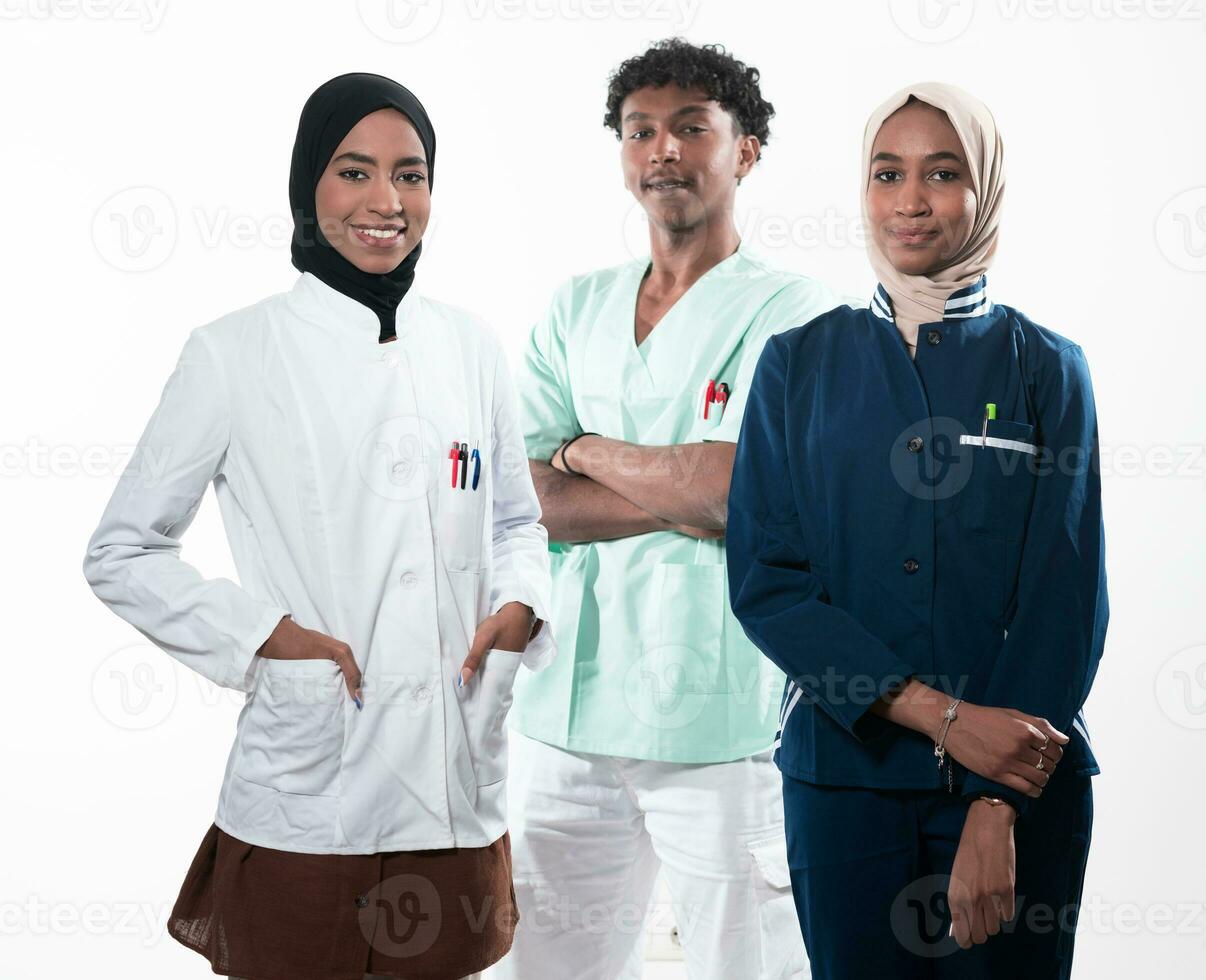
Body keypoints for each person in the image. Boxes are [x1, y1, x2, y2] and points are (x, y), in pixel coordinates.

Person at [81, 72, 554, 980]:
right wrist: (264, 637)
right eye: (354, 172)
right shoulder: (233, 353)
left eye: (411, 175)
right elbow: (121, 550)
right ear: (308, 187)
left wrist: (522, 607)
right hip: (312, 787)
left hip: (454, 780)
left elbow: (515, 524)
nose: (387, 202)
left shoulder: (472, 346)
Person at [725, 82, 1108, 979]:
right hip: (841, 779)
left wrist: (994, 801)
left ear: (986, 189)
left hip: (1021, 784)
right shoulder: (796, 365)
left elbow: (1067, 596)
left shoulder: (1049, 370)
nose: (910, 200)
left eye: (943, 173)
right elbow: (769, 581)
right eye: (886, 173)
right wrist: (941, 718)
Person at [496, 39, 837, 980]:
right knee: (552, 968)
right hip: (568, 709)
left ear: (747, 150)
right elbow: (530, 500)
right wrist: (678, 486)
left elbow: (739, 494)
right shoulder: (575, 308)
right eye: (640, 130)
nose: (663, 150)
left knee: (744, 967)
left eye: (692, 127)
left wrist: (583, 449)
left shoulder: (796, 312)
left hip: (723, 724)